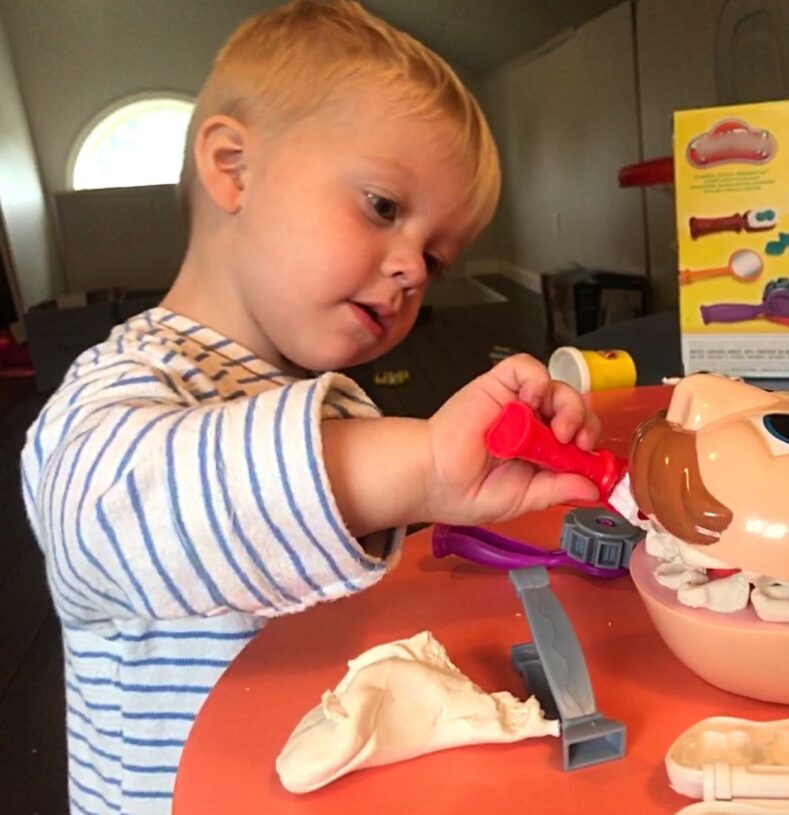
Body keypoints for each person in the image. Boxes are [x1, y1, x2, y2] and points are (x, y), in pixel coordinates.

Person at [20, 3, 600, 812]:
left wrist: (459, 482)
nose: (411, 270)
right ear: (233, 167)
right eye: (382, 207)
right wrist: (419, 465)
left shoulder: (328, 404)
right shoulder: (125, 381)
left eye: (435, 255)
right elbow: (105, 520)